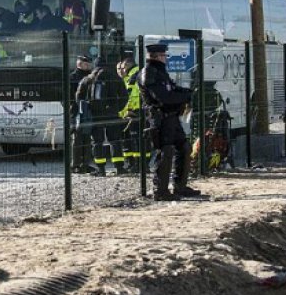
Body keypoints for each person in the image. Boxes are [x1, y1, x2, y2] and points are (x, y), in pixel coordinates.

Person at [138, 44, 200, 201]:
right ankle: (161, 190)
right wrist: (183, 97)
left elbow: (171, 89)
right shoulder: (149, 73)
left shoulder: (160, 72)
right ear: (156, 56)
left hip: (172, 117)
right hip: (160, 118)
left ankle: (180, 186)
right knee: (165, 152)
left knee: (184, 148)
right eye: (164, 55)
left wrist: (186, 92)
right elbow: (163, 97)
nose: (166, 58)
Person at [76, 57, 128, 176]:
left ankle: (101, 169)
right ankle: (119, 168)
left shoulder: (87, 79)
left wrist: (87, 109)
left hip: (95, 115)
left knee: (97, 142)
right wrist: (117, 108)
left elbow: (78, 98)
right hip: (112, 114)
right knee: (115, 141)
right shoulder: (116, 78)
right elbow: (124, 96)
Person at [70, 55, 95, 174]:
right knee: (77, 138)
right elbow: (67, 96)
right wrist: (72, 107)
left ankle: (85, 164)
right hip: (76, 112)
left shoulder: (91, 76)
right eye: (85, 63)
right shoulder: (72, 77)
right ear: (79, 64)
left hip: (88, 110)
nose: (87, 65)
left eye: (88, 63)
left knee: (87, 139)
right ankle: (75, 164)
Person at [118, 58, 143, 173]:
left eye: (123, 67)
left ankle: (138, 165)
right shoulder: (136, 74)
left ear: (128, 65)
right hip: (139, 110)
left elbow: (130, 97)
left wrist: (124, 113)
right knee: (135, 139)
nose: (122, 70)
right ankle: (136, 164)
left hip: (135, 111)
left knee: (135, 139)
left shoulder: (133, 76)